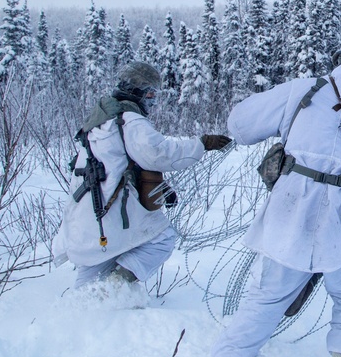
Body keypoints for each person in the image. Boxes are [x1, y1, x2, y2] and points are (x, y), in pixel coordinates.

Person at [208, 38, 341, 357]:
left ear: (340, 60)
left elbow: (241, 124)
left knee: (266, 297)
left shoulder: (304, 91)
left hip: (289, 211)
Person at [51, 61, 231, 294]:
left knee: (91, 272)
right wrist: (202, 144)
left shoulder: (103, 118)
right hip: (108, 208)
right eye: (150, 93)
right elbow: (158, 153)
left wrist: (159, 186)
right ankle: (114, 290)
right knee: (162, 238)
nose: (152, 100)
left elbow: (119, 162)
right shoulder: (130, 119)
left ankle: (83, 312)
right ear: (136, 91)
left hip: (88, 211)